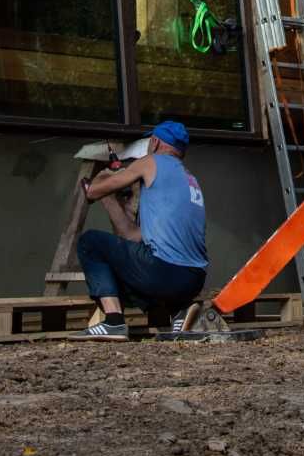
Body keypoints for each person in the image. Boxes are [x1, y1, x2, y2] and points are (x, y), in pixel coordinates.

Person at [75, 119, 208, 339]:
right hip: (193, 281)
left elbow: (92, 192)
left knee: (89, 242)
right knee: (125, 270)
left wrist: (100, 179)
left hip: (162, 273)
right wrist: (112, 200)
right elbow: (130, 235)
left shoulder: (150, 162)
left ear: (155, 142)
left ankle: (114, 322)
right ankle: (179, 313)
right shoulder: (189, 179)